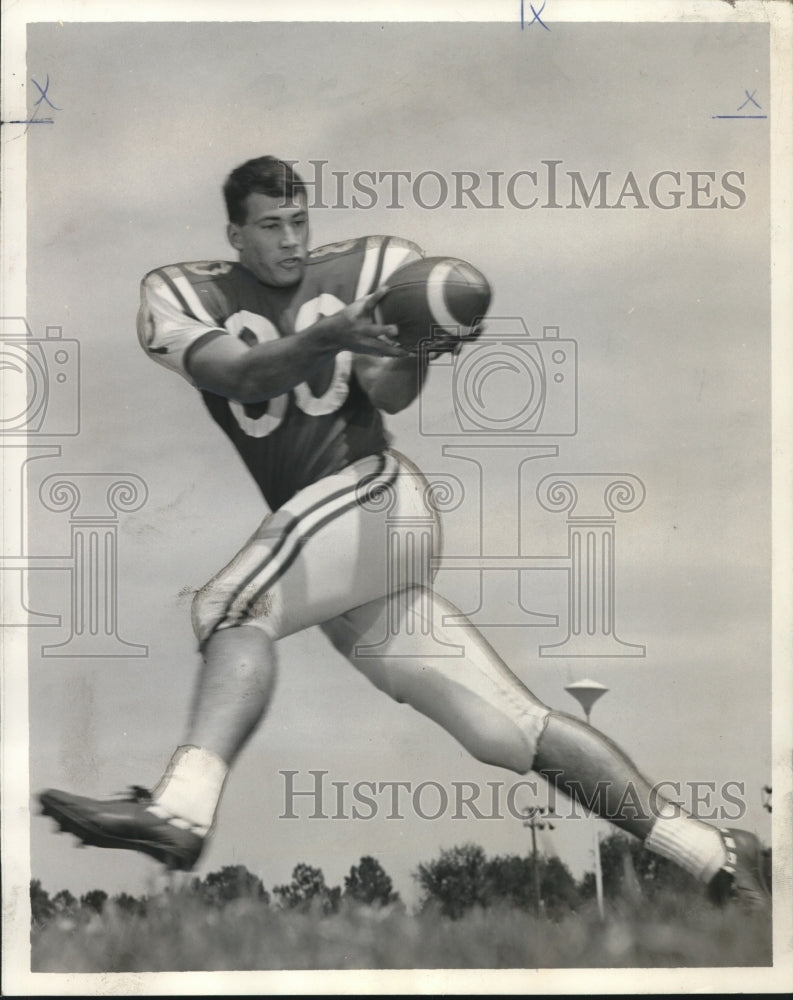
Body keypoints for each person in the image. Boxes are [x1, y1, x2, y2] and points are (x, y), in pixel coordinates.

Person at [40, 156, 769, 911]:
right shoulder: (183, 293)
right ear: (235, 232)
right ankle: (716, 856)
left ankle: (180, 809)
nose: (290, 241)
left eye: (298, 221)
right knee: (505, 730)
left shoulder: (368, 270)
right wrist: (329, 337)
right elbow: (242, 376)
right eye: (270, 226)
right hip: (336, 551)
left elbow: (388, 389)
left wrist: (417, 344)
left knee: (229, 607)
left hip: (374, 500)